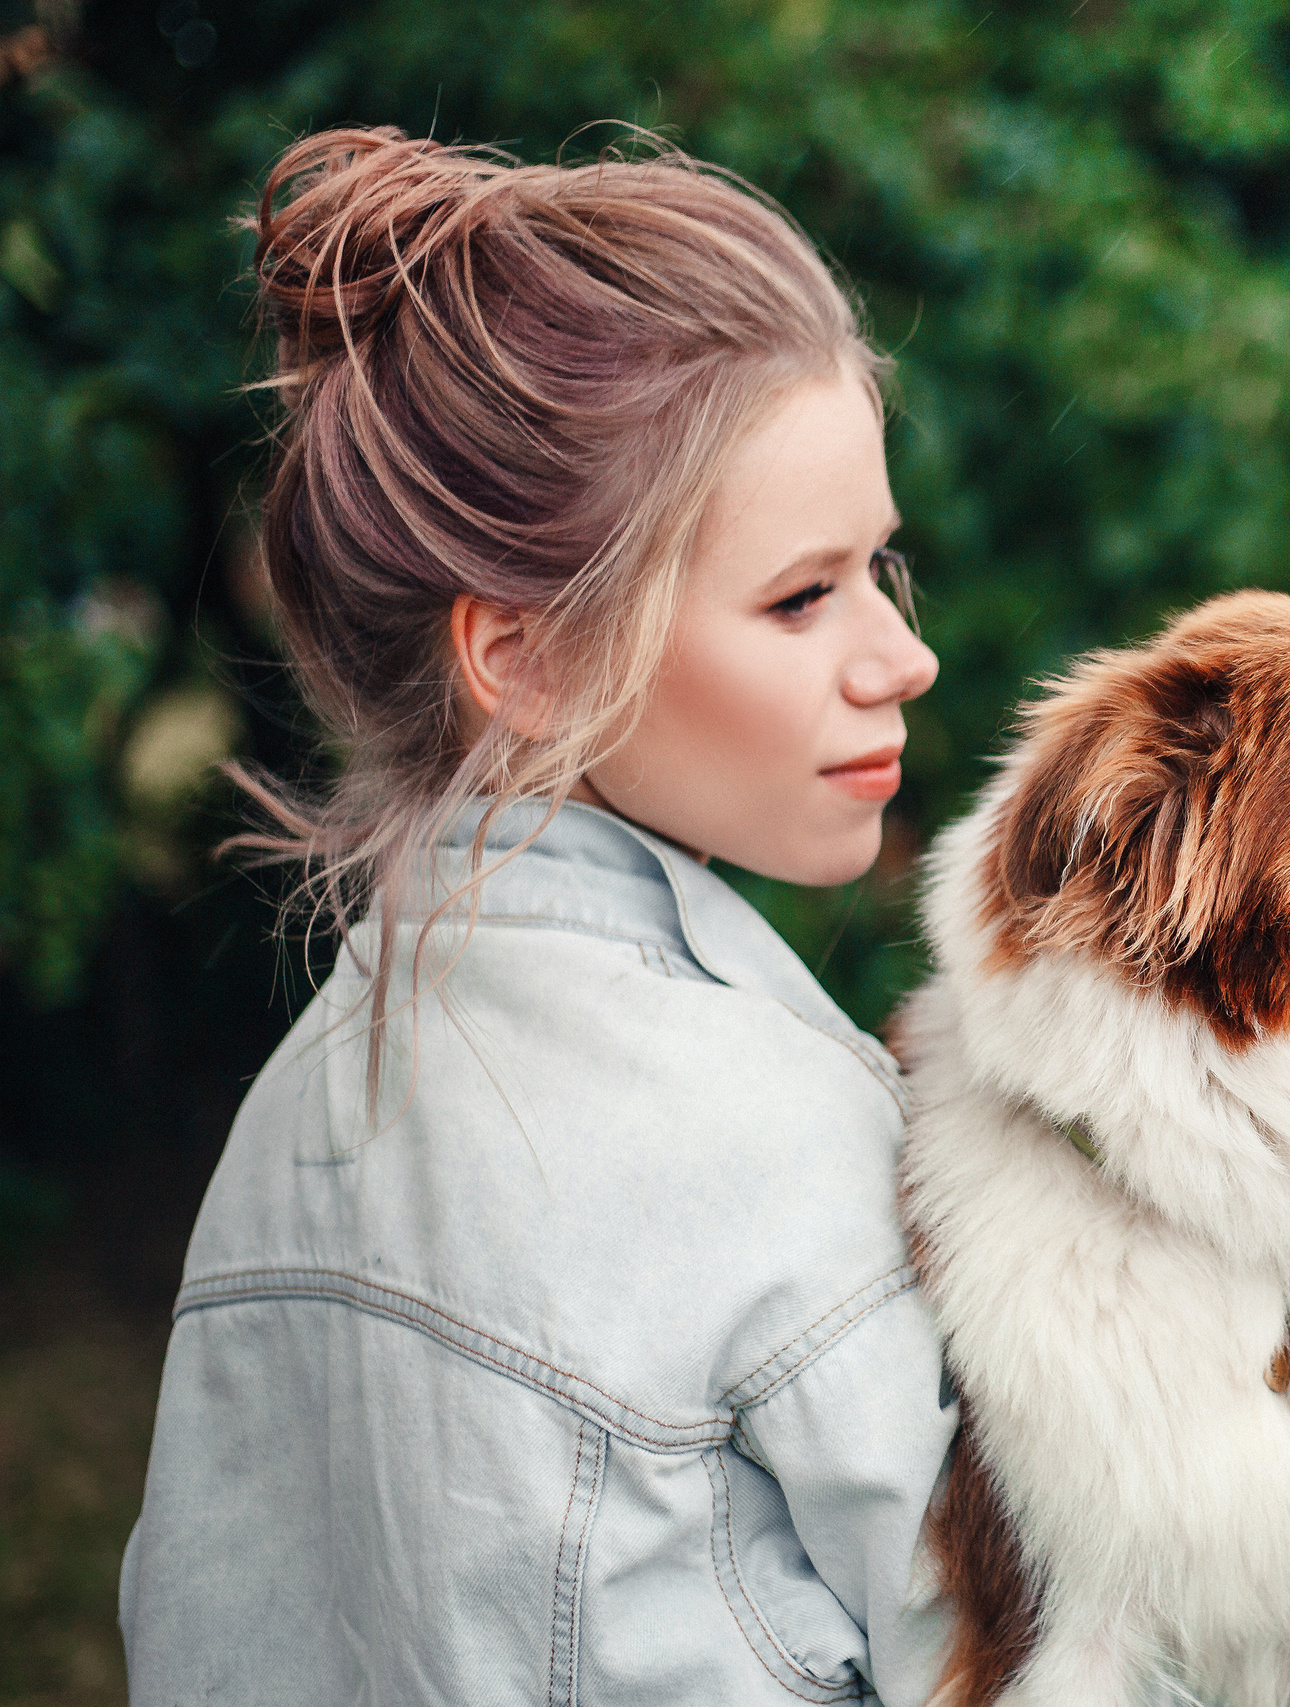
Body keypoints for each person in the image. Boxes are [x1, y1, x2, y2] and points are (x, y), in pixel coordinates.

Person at [118, 126, 952, 1705]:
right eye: (801, 595)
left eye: (878, 568)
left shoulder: (293, 1114)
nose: (897, 657)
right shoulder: (774, 1131)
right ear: (530, 659)